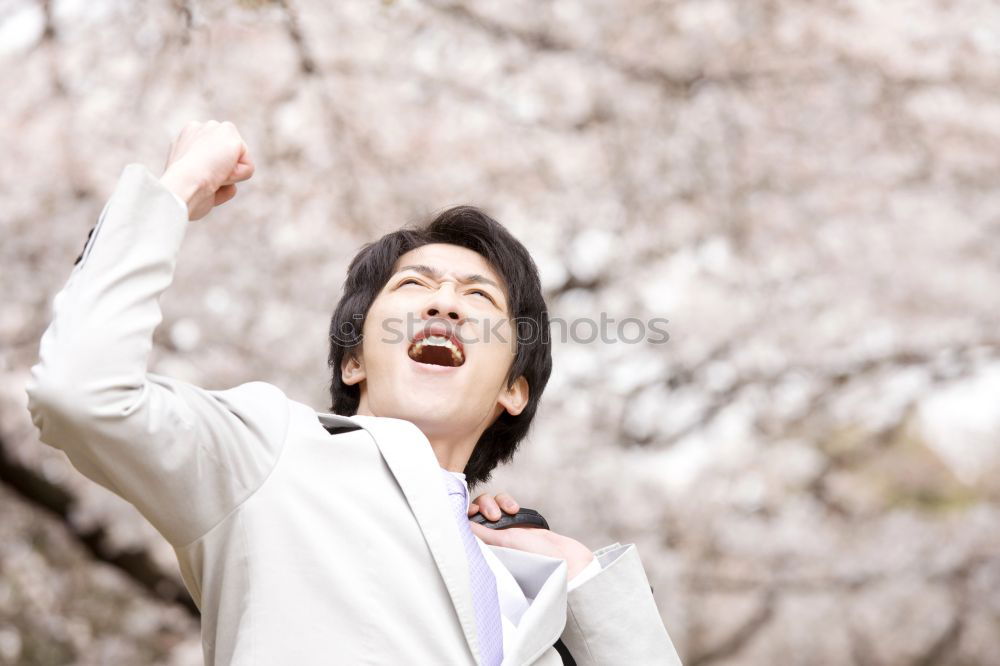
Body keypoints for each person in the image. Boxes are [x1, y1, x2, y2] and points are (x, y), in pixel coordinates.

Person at [25, 120, 682, 665]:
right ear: (353, 363)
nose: (446, 305)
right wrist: (180, 189)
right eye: (412, 288)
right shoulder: (274, 454)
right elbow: (80, 394)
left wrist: (579, 574)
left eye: (479, 298)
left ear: (514, 389)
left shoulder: (537, 592)